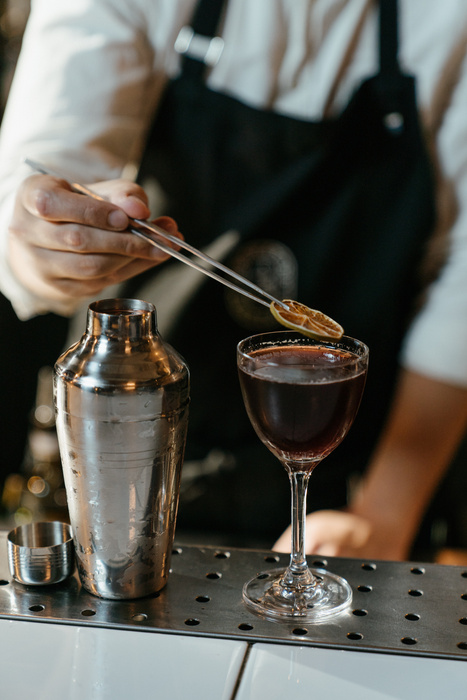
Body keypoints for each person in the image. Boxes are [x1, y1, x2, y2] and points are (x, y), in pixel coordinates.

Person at [1, 0, 467, 559]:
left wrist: (385, 511)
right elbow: (42, 177)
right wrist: (50, 244)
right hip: (113, 466)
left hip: (352, 481)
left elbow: (459, 293)